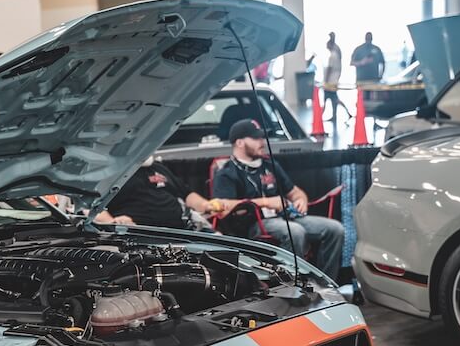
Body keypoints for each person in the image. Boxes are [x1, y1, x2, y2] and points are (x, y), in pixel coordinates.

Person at [212, 119, 344, 278]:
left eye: (262, 137)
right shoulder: (227, 172)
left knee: (335, 229)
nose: (262, 142)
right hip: (254, 223)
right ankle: (292, 284)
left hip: (286, 216)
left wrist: (300, 199)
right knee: (295, 232)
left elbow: (294, 192)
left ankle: (324, 282)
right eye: (256, 138)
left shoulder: (269, 164)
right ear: (239, 143)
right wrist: (266, 202)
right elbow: (223, 206)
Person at [93, 161, 220, 231]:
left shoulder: (157, 168)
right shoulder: (110, 175)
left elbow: (186, 194)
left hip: (182, 230)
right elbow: (93, 207)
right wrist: (113, 223)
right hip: (141, 236)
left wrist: (205, 205)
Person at [323, 32, 352, 121]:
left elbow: (330, 69)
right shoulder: (336, 54)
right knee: (334, 99)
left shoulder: (333, 56)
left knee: (330, 98)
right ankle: (339, 114)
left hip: (331, 81)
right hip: (334, 80)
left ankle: (320, 116)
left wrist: (326, 81)